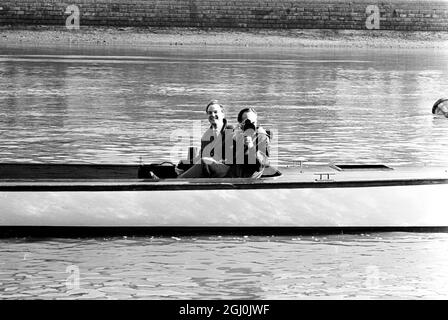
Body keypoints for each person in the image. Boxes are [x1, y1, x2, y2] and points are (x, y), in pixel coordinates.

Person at [178, 100, 234, 178]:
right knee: (183, 164)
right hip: (210, 167)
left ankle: (178, 181)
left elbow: (233, 157)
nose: (213, 115)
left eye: (215, 112)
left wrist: (215, 161)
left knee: (204, 162)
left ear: (223, 114)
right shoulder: (206, 135)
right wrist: (185, 163)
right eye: (210, 113)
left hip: (228, 169)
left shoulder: (231, 131)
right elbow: (201, 156)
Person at [229, 107, 270, 178]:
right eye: (246, 122)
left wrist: (250, 146)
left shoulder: (262, 137)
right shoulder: (235, 134)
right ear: (240, 124)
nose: (250, 126)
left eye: (253, 122)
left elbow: (260, 166)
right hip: (234, 173)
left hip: (250, 177)